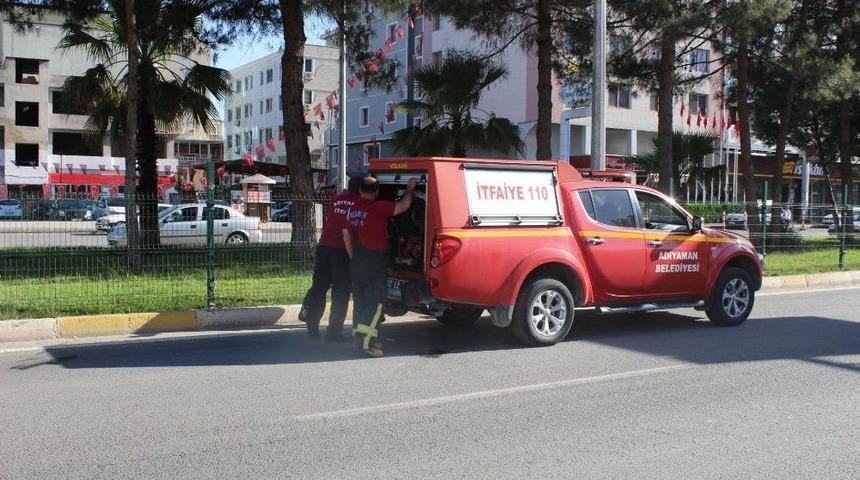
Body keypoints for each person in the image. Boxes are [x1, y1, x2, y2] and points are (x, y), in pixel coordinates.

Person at [344, 176, 417, 357]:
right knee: (375, 303)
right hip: (373, 263)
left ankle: (359, 339)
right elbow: (404, 206)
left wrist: (353, 256)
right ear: (376, 191)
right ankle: (367, 343)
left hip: (357, 262)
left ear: (360, 190)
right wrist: (409, 189)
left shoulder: (351, 210)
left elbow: (346, 234)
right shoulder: (377, 208)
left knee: (361, 302)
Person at [298, 176, 362, 341]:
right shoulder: (359, 203)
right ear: (361, 189)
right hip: (341, 251)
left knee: (319, 287)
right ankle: (334, 332)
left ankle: (312, 324)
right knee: (340, 293)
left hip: (324, 247)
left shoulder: (336, 200)